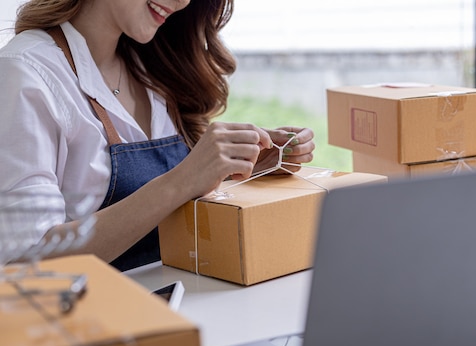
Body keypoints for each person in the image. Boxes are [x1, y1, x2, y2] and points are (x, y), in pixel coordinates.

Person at [0, 0, 315, 271]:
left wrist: (239, 165)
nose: (181, 2)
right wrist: (182, 180)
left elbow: (168, 204)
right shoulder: (25, 73)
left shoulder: (151, 65)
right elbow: (23, 261)